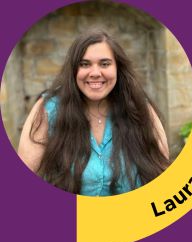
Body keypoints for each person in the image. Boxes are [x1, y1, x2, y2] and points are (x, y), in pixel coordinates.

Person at [18, 30, 170, 196]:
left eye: (105, 64)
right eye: (85, 64)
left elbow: (163, 176)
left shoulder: (140, 108)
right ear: (73, 70)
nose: (95, 73)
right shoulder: (48, 109)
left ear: (118, 68)